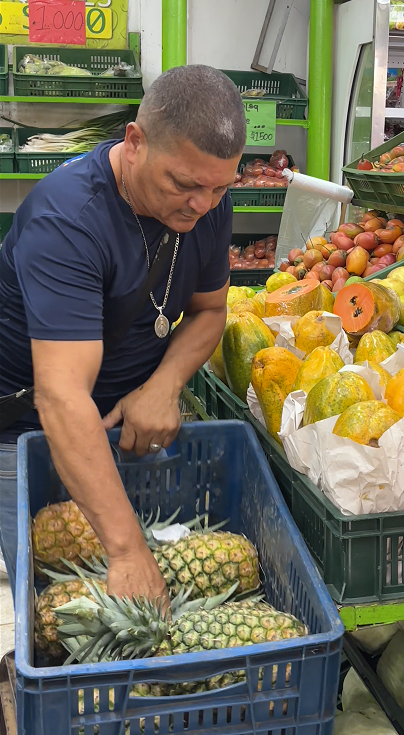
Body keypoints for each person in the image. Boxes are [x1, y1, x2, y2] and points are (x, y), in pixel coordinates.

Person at [0, 64, 246, 605]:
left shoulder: (208, 201)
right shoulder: (67, 221)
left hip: (128, 427)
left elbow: (209, 311)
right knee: (51, 605)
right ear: (134, 143)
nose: (203, 205)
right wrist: (127, 551)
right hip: (32, 431)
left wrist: (163, 386)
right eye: (184, 184)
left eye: (219, 187)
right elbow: (61, 398)